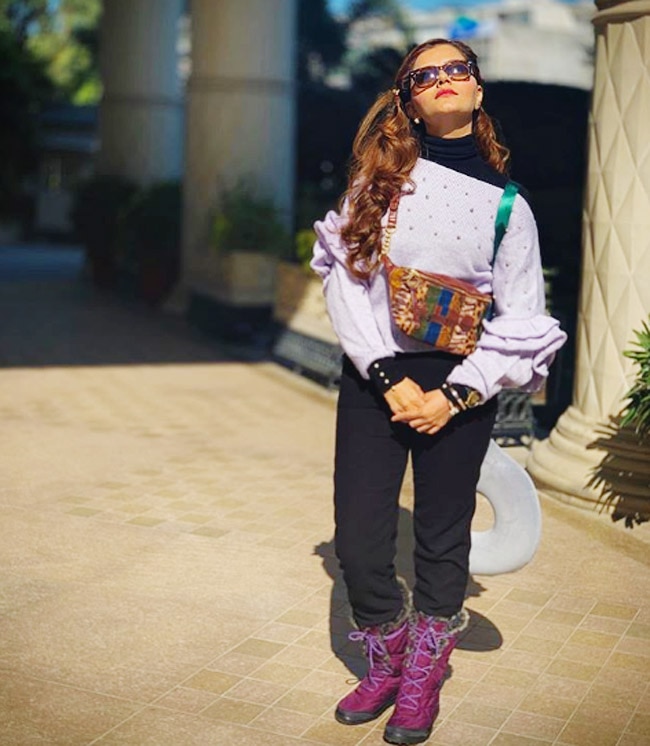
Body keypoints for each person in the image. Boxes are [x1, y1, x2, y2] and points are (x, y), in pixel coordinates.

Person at [311, 39, 567, 745]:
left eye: (459, 69)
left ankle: (423, 675)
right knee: (359, 542)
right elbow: (345, 284)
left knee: (442, 535)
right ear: (409, 102)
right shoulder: (377, 185)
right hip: (377, 378)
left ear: (478, 92)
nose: (445, 79)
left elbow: (522, 319)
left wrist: (455, 394)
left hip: (461, 384)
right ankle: (388, 651)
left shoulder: (510, 207)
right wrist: (385, 375)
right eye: (426, 75)